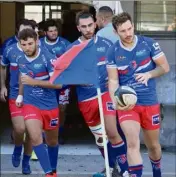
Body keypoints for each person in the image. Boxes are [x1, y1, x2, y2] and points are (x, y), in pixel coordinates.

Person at [106, 12, 170, 177]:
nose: (128, 34)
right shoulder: (113, 51)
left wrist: (149, 74)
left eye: (129, 28)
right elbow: (113, 81)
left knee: (153, 146)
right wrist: (115, 100)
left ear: (133, 26)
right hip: (128, 105)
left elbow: (165, 67)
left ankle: (157, 171)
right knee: (132, 143)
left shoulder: (148, 44)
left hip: (149, 101)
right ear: (115, 32)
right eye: (123, 31)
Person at [68, 11, 128, 177]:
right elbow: (66, 74)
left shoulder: (107, 43)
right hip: (86, 98)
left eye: (90, 25)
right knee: (101, 139)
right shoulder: (72, 48)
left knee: (112, 131)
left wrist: (115, 81)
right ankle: (110, 167)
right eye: (84, 27)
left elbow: (117, 66)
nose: (88, 29)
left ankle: (126, 171)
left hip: (105, 93)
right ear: (78, 28)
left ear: (95, 23)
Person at [17, 28, 63, 177]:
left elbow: (58, 84)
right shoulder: (21, 59)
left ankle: (53, 170)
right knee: (35, 137)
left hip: (50, 105)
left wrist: (33, 82)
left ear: (37, 41)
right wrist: (20, 96)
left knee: (52, 141)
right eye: (23, 44)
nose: (27, 48)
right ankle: (48, 173)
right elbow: (22, 77)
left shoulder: (48, 58)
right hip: (31, 104)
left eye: (30, 44)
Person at [0, 19, 37, 174]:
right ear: (17, 32)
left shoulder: (40, 50)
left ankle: (26, 161)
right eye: (22, 31)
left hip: (35, 96)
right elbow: (2, 67)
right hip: (15, 94)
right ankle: (17, 147)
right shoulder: (9, 49)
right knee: (19, 128)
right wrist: (2, 86)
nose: (25, 34)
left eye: (28, 30)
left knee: (30, 131)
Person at [40, 19, 71, 144]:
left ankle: (60, 132)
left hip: (63, 83)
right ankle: (44, 134)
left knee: (62, 109)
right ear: (45, 32)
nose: (54, 33)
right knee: (44, 109)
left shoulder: (65, 44)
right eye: (51, 31)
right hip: (45, 84)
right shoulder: (39, 44)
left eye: (55, 30)